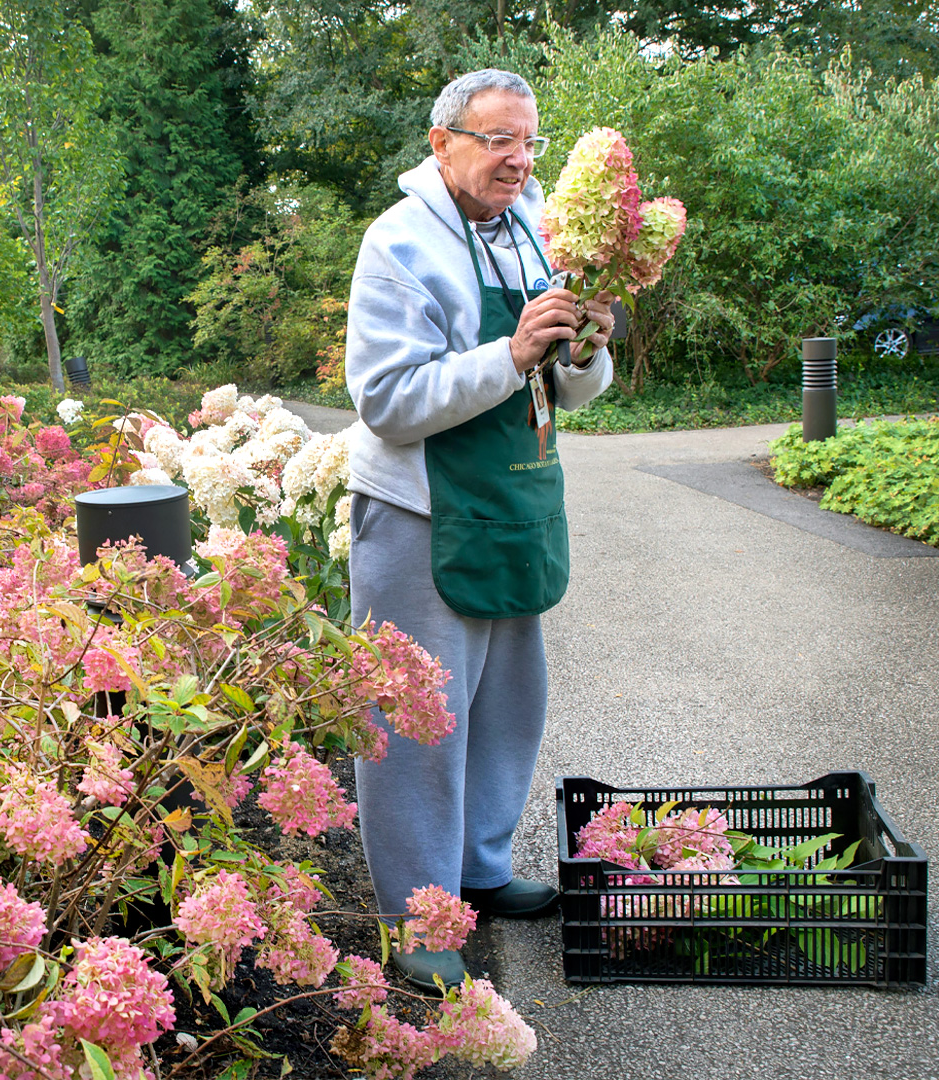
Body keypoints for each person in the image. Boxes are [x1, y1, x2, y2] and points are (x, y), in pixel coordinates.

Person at [344, 69, 615, 993]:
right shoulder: (398, 245)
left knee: (506, 705)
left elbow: (565, 390)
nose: (519, 158)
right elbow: (385, 401)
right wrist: (510, 352)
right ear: (443, 142)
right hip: (422, 515)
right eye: (497, 139)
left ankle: (480, 870)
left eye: (528, 140)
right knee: (418, 721)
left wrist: (587, 348)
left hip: (514, 501)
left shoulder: (539, 232)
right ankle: (418, 917)